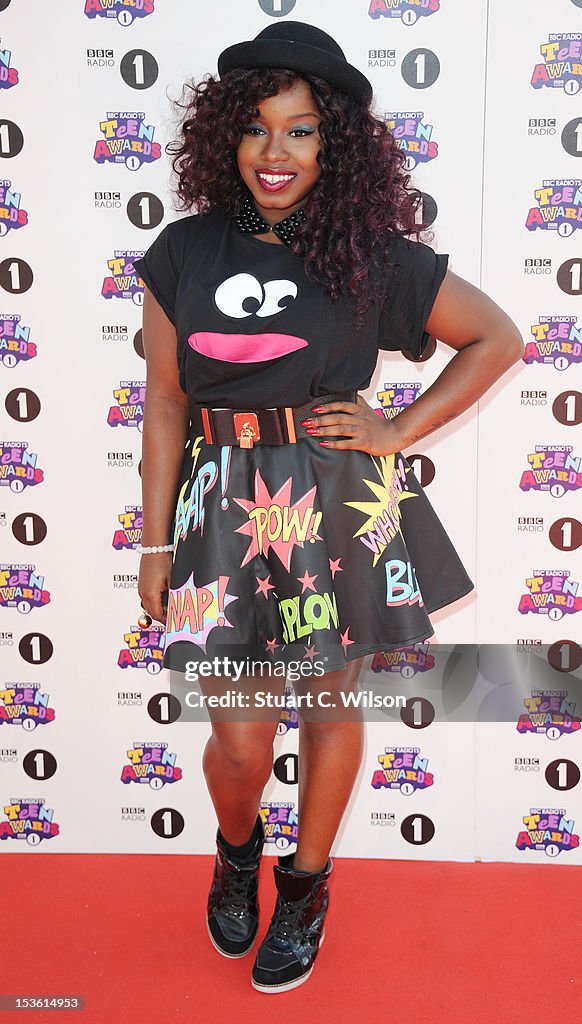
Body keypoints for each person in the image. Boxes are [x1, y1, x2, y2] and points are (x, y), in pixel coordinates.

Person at [134, 21, 523, 994]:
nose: (275, 152)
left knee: (329, 700)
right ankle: (238, 850)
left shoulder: (375, 256)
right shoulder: (184, 250)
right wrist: (151, 539)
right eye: (258, 129)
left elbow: (496, 338)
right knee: (237, 731)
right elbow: (168, 401)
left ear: (332, 142)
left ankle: (305, 884)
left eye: (300, 131)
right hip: (220, 505)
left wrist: (396, 430)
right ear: (227, 136)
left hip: (334, 504)